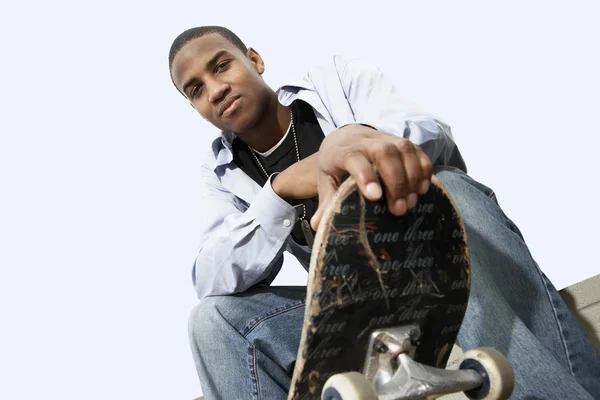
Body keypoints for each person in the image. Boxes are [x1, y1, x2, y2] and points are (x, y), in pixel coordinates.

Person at [168, 25, 600, 400]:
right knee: (211, 321)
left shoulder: (333, 81)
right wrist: (279, 190)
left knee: (448, 188)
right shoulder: (220, 175)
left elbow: (431, 137)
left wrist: (358, 139)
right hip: (356, 314)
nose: (215, 89)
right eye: (197, 90)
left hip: (442, 275)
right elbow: (209, 277)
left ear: (255, 60)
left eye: (221, 66)